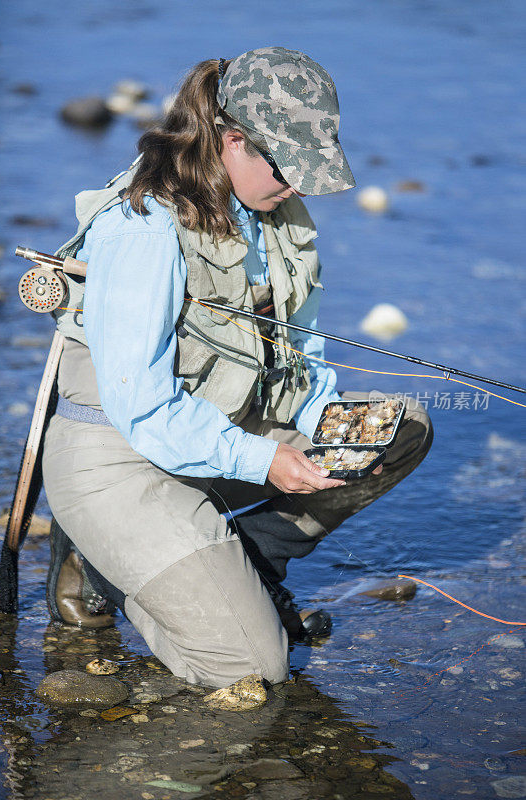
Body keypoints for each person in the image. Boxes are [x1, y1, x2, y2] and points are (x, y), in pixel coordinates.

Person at [42, 47, 433, 689]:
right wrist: (265, 462)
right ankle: (105, 566)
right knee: (251, 667)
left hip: (225, 433)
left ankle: (244, 568)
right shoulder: (141, 228)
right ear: (232, 140)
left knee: (398, 428)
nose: (302, 186)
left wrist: (331, 424)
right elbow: (143, 408)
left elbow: (299, 357)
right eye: (291, 168)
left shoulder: (277, 212)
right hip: (121, 458)